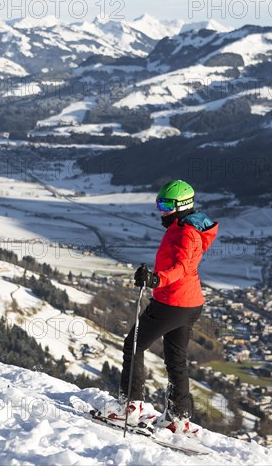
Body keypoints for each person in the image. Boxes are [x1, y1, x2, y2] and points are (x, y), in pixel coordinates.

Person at [104, 179, 218, 433]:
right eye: (159, 203)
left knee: (133, 345)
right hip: (189, 303)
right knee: (175, 360)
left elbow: (182, 267)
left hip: (172, 303)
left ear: (182, 205)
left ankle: (130, 408)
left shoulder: (186, 232)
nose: (162, 210)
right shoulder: (183, 226)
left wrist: (157, 279)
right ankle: (177, 419)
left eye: (166, 204)